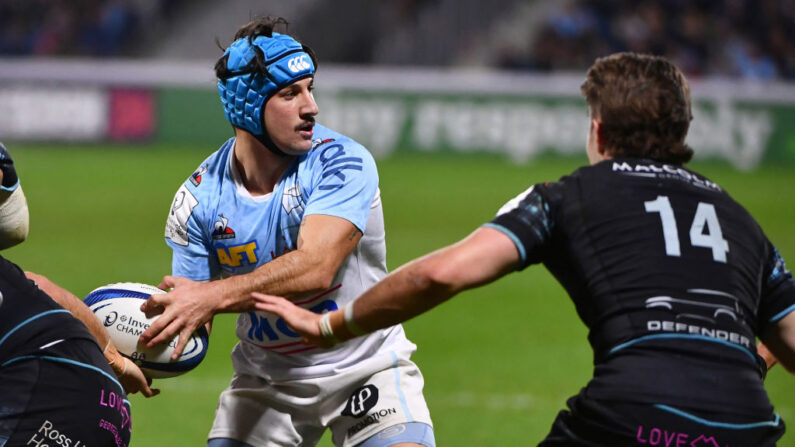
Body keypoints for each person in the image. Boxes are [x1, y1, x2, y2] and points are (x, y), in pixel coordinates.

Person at [254, 53, 795, 446]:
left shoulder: (567, 198)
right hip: (746, 425)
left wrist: (331, 326)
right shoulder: (741, 221)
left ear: (598, 131)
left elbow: (437, 276)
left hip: (631, 416)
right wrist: (750, 365)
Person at [138, 16, 435, 447]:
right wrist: (131, 345)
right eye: (289, 93)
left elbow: (316, 267)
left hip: (366, 367)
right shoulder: (197, 200)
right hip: (267, 382)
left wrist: (211, 297)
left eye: (310, 88)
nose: (311, 106)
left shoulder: (343, 163)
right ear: (246, 106)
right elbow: (191, 311)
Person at [0, 142, 157, 447]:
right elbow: (42, 287)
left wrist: (114, 359)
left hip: (49, 397)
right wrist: (113, 359)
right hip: (91, 398)